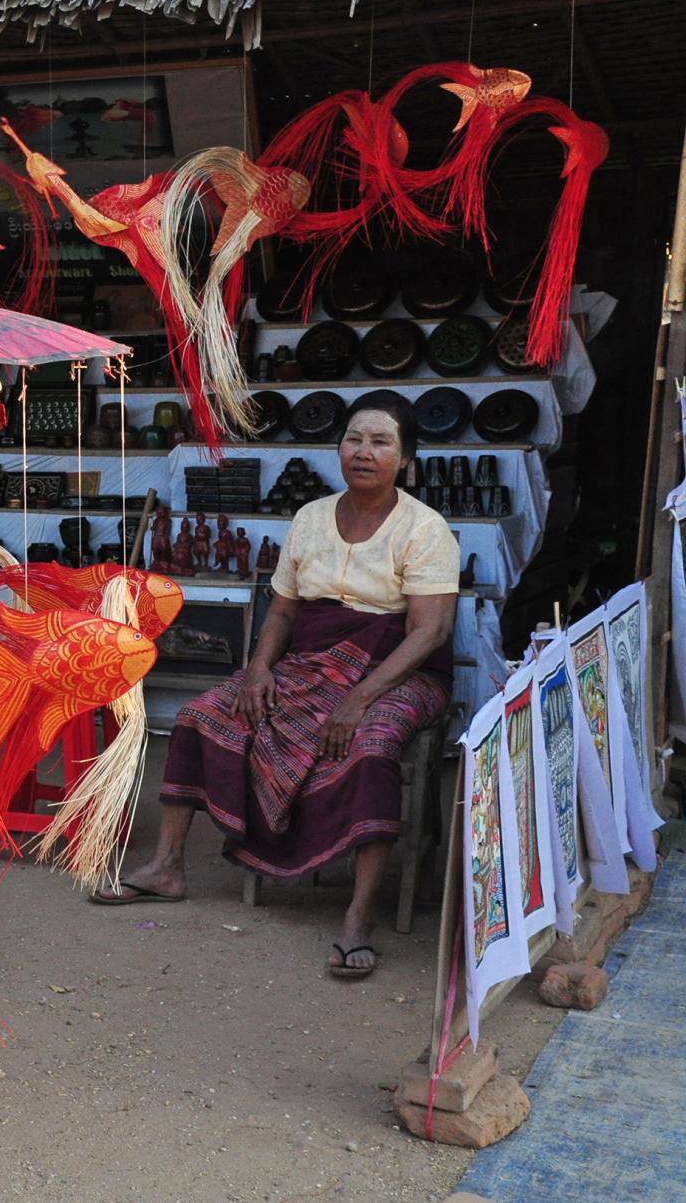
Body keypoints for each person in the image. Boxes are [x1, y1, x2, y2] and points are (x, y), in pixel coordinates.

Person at [95, 393, 457, 980]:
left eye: (380, 442)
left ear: (407, 458)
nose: (363, 452)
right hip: (311, 659)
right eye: (353, 440)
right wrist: (258, 668)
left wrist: (359, 698)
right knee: (202, 714)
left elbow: (429, 632)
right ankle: (166, 865)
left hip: (400, 669)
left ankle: (359, 915)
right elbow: (283, 614)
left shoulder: (425, 529)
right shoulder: (311, 517)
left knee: (369, 744)